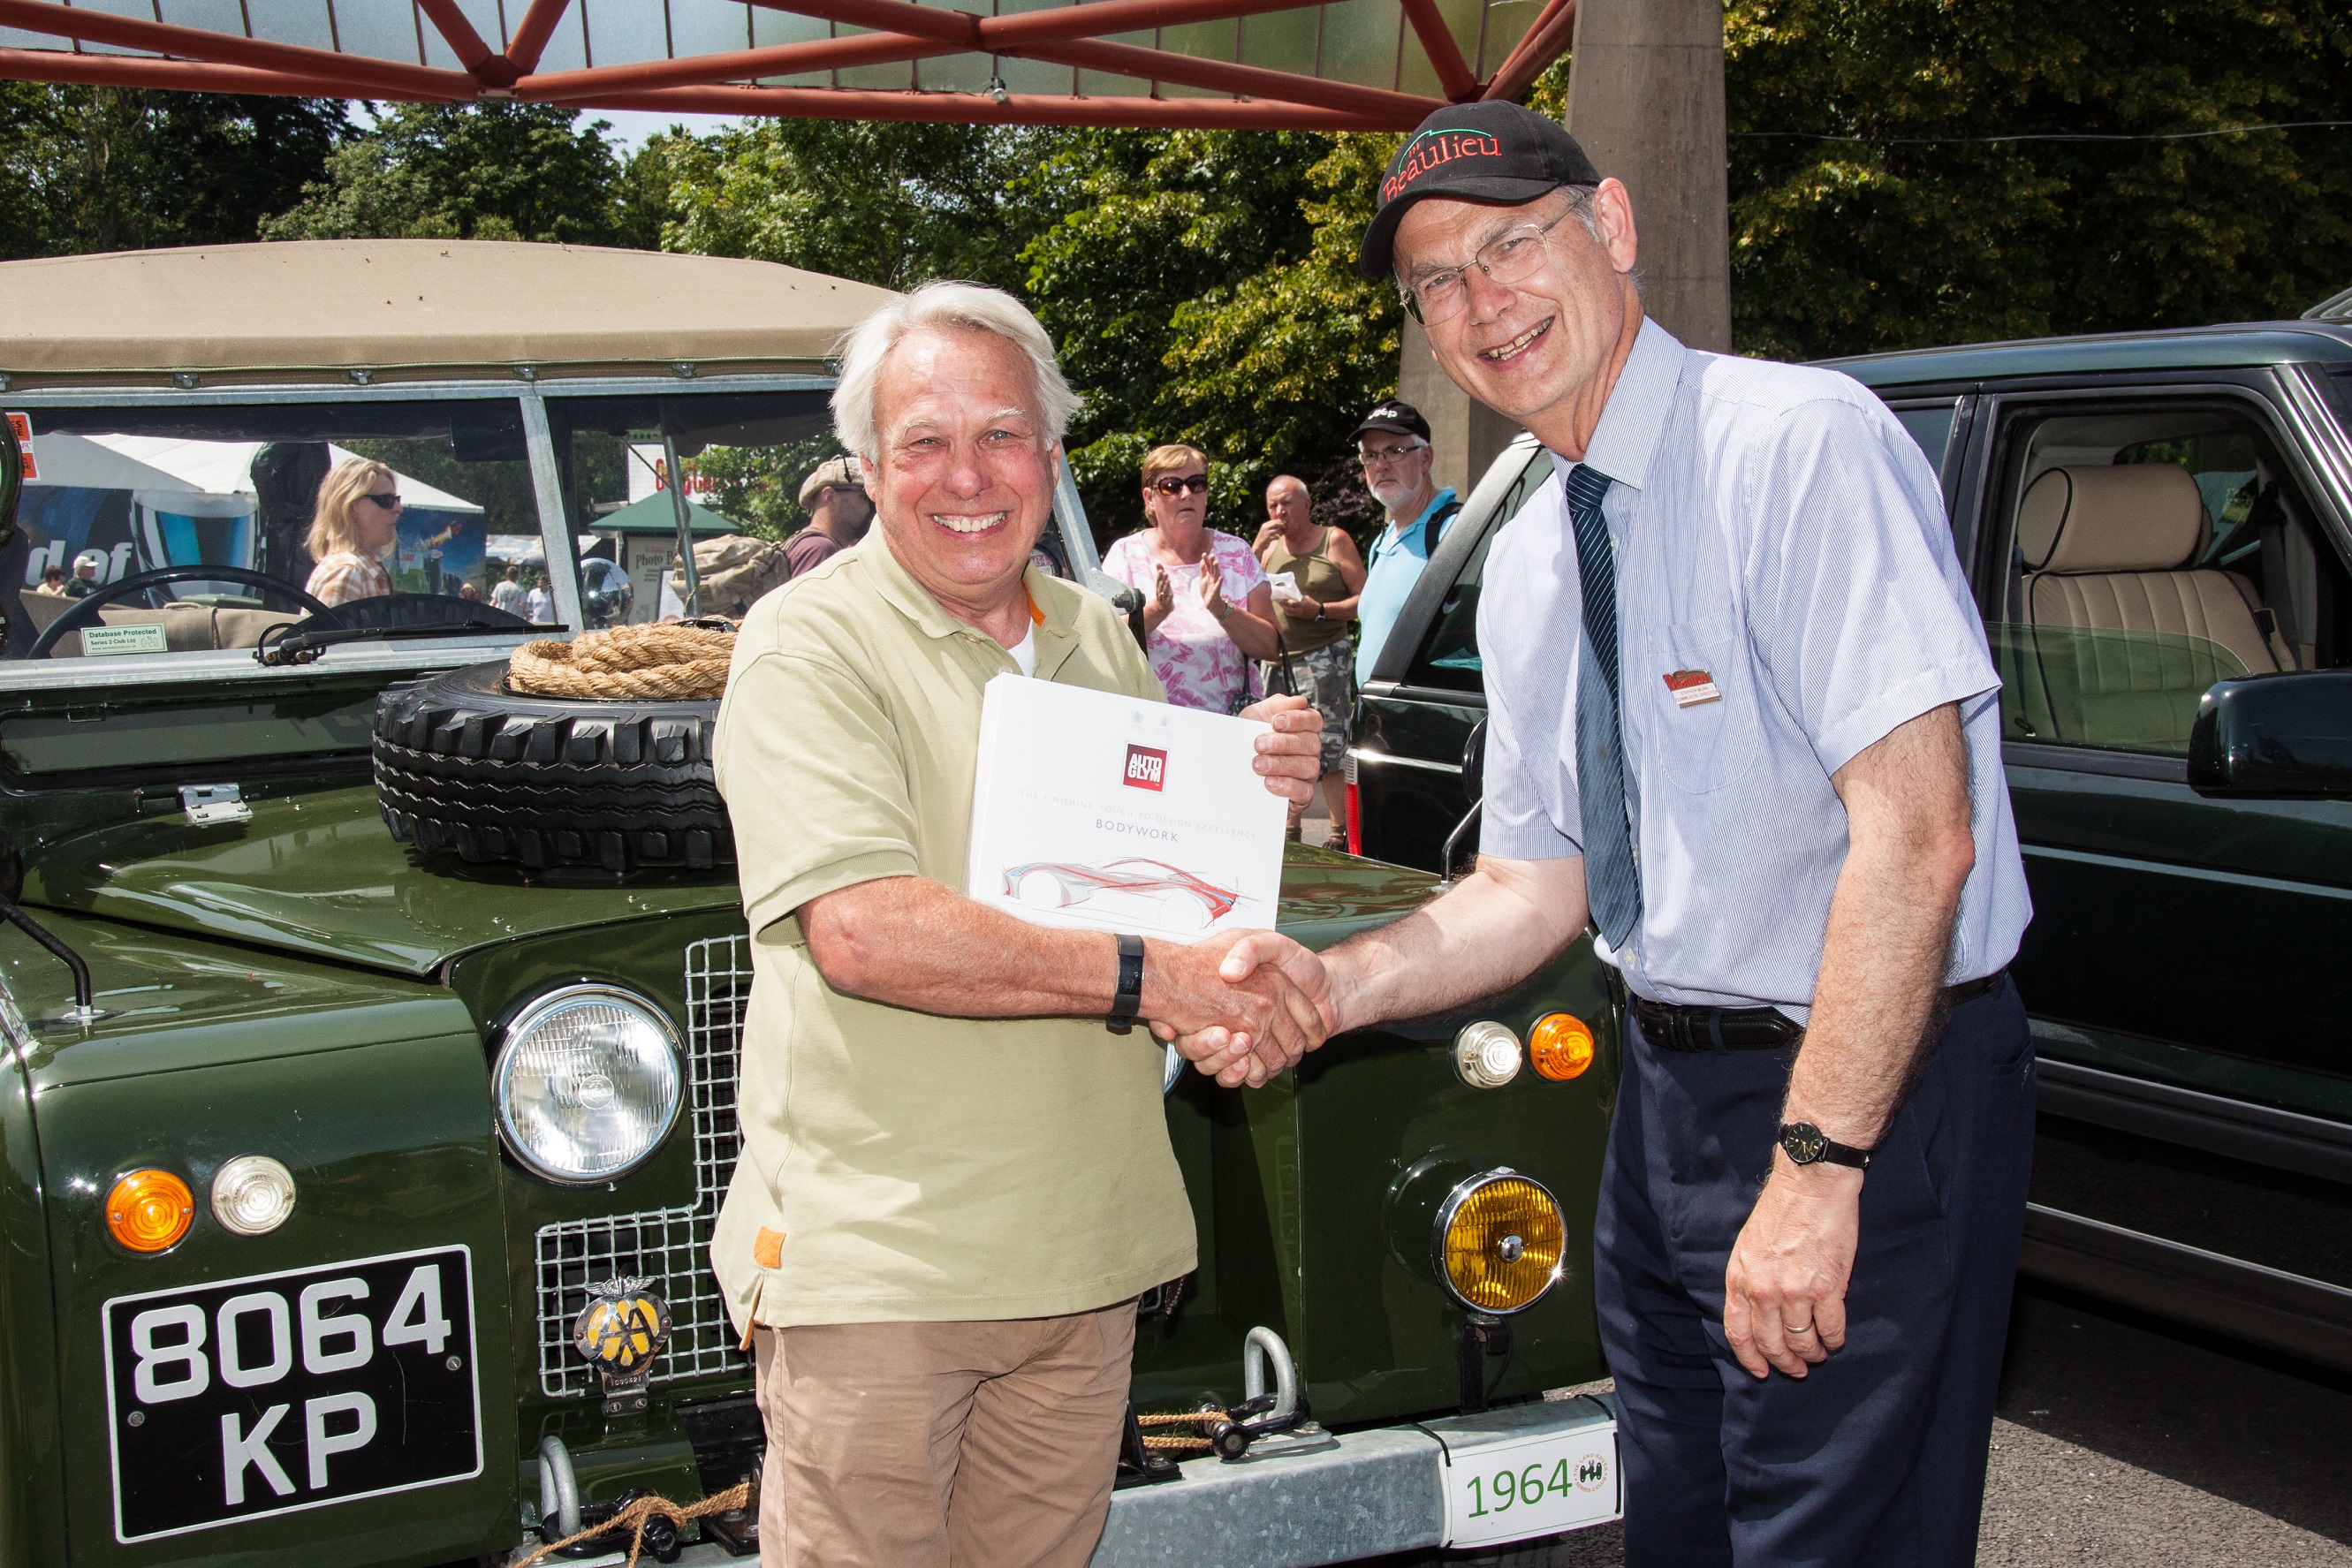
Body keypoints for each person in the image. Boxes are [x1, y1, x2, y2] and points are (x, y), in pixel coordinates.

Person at [1187, 101, 2035, 1568]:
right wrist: (1332, 987)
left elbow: (1917, 842)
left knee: (1829, 1536)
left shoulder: (1796, 447)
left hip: (1856, 1085)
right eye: (1438, 282)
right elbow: (1529, 889)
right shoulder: (1530, 560)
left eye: (1511, 244)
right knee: (1683, 1528)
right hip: (1659, 1101)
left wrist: (1819, 1168)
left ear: (1617, 229)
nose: (1481, 302)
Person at [708, 281, 1327, 1568]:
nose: (966, 476)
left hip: (1084, 1255)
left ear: (1051, 456)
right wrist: (1162, 974)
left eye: (1001, 434)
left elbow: (1131, 873)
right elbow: (865, 929)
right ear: (870, 467)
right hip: (886, 1268)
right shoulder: (804, 643)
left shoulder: (1095, 632)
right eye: (922, 442)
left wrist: (1242, 778)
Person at [1099, 444, 1282, 712]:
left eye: (1197, 483)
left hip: (1230, 727)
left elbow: (1271, 647)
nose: (1186, 494)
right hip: (1152, 727)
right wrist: (1155, 611)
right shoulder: (1125, 555)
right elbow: (1103, 643)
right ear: (1149, 497)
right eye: (1171, 486)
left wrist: (1222, 609)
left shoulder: (1236, 553)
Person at [1252, 475, 1365, 834]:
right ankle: (1289, 830)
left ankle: (1338, 832)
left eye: (1286, 503)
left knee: (1329, 746)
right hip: (1276, 662)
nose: (1280, 512)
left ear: (1308, 504)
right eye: (1273, 505)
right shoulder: (1268, 549)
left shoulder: (1334, 541)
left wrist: (1319, 610)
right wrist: (1255, 549)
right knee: (1283, 748)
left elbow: (1367, 600)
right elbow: (1240, 590)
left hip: (1323, 657)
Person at [1347, 400, 1459, 682]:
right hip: (1379, 719)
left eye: (1394, 452)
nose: (1381, 465)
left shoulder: (1454, 532)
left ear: (1426, 458)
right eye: (1370, 455)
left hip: (1429, 718)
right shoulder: (1381, 542)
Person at [303, 458, 400, 606]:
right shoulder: (348, 572)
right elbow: (331, 630)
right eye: (386, 500)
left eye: (396, 499)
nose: (398, 508)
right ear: (351, 505)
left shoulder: (361, 571)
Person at [785, 454, 874, 577]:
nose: (873, 506)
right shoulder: (821, 549)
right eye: (864, 497)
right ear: (830, 497)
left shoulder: (814, 546)